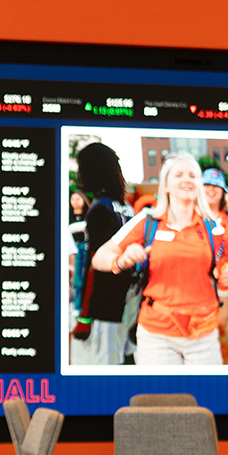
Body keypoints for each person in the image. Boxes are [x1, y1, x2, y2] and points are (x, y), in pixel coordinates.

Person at [93, 154, 228, 366]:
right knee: (162, 398)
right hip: (157, 335)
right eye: (179, 175)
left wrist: (227, 273)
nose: (187, 179)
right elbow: (100, 256)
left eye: (193, 175)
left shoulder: (214, 228)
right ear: (166, 185)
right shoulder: (147, 222)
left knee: (203, 398)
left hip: (204, 335)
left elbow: (223, 272)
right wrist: (122, 260)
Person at [68, 141, 133, 364]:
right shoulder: (124, 206)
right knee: (126, 361)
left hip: (105, 307)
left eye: (81, 167)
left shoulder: (100, 209)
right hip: (128, 302)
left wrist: (85, 315)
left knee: (106, 368)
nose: (79, 174)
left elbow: (95, 265)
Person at [200, 169, 228, 362]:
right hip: (199, 278)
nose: (212, 189)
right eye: (207, 185)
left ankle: (224, 368)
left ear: (223, 191)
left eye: (216, 186)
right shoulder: (194, 215)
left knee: (221, 325)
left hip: (223, 279)